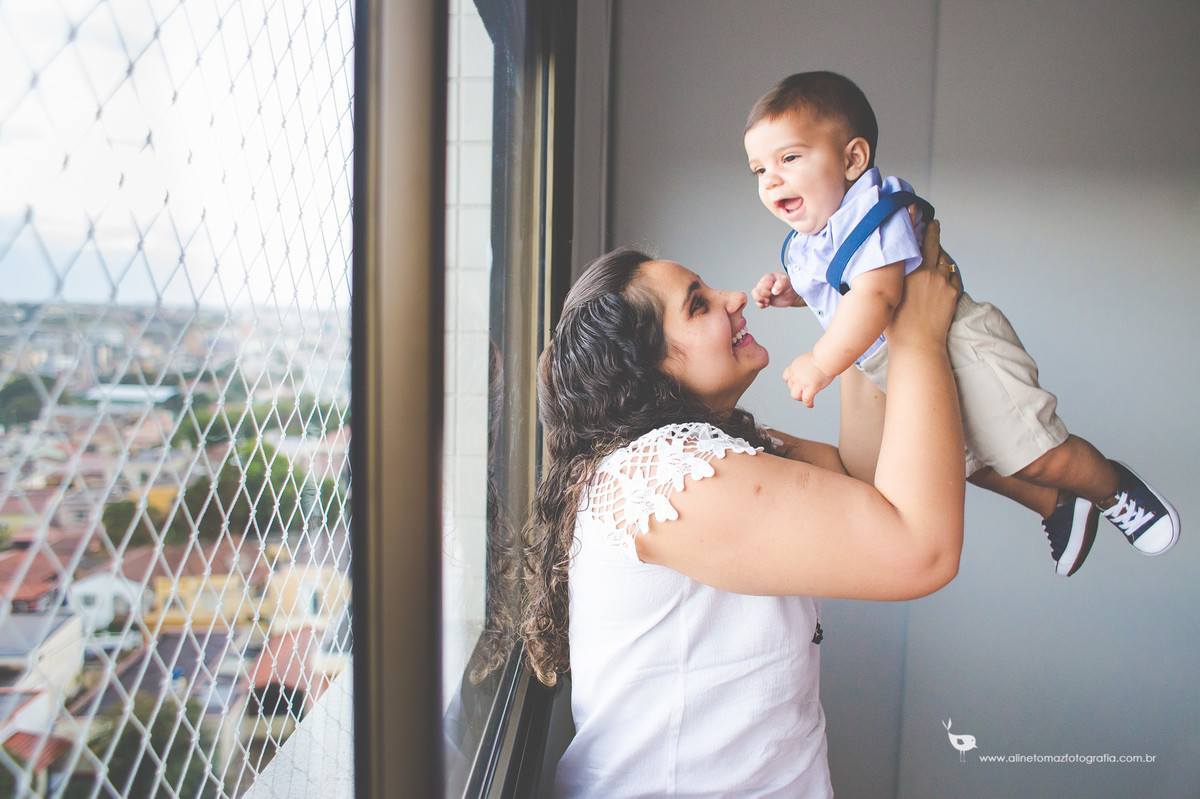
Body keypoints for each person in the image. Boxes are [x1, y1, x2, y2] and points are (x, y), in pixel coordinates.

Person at [524, 221, 962, 798]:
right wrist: (920, 340)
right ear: (648, 372)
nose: (734, 299)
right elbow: (920, 552)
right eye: (699, 305)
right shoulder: (668, 476)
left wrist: (859, 315)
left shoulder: (717, 450)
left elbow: (872, 482)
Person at [743, 70, 1179, 576]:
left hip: (957, 343)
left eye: (788, 158)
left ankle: (1111, 488)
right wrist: (794, 291)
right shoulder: (815, 234)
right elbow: (841, 287)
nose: (771, 180)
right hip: (896, 359)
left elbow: (878, 295)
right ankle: (1061, 505)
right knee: (964, 460)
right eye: (758, 170)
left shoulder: (874, 214)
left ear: (853, 159)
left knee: (1033, 454)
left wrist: (821, 361)